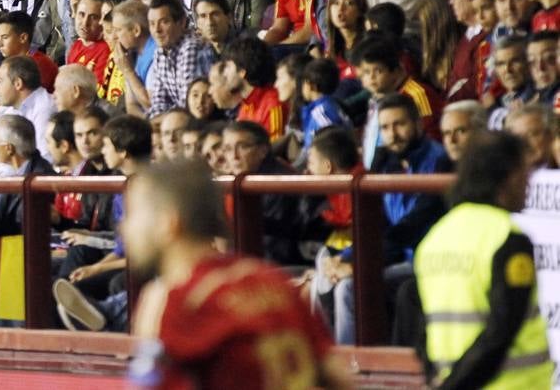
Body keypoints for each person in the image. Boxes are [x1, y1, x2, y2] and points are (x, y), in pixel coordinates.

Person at [101, 160, 352, 388]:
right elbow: (338, 378)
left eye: (133, 215)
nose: (124, 227)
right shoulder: (273, 281)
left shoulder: (174, 301)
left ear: (168, 224)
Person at [413, 131, 550, 389]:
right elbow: (501, 330)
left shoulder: (435, 238)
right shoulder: (508, 238)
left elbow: (422, 329)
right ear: (506, 177)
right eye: (525, 173)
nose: (528, 184)